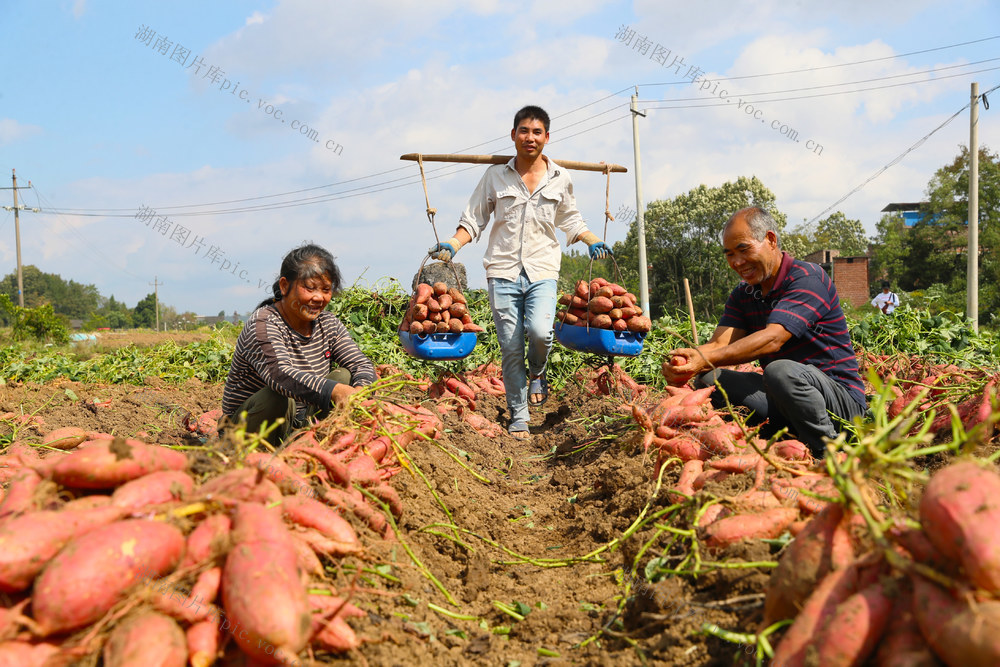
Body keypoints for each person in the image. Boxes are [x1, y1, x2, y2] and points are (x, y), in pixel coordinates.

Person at [427, 105, 612, 440]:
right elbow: (474, 219)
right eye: (524, 131)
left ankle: (537, 371)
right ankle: (519, 416)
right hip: (502, 270)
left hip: (543, 269)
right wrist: (453, 244)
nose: (530, 137)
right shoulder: (495, 176)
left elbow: (571, 219)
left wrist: (592, 240)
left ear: (547, 137)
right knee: (511, 346)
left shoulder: (560, 177)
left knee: (540, 332)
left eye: (537, 132)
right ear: (513, 135)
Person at [661, 207, 867, 458]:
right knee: (710, 379)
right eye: (730, 254)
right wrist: (686, 361)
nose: (737, 262)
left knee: (780, 371)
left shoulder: (808, 278)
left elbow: (773, 339)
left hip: (841, 404)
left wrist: (703, 359)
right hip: (786, 399)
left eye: (744, 249)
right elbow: (718, 345)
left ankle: (830, 453)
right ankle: (780, 438)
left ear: (770, 240)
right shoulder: (744, 294)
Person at [222, 243, 376, 444]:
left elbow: (361, 364)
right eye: (310, 288)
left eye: (326, 289)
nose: (318, 297)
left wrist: (360, 393)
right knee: (277, 396)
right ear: (284, 286)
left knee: (344, 376)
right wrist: (335, 391)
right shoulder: (263, 324)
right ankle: (254, 454)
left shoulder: (328, 323)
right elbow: (280, 374)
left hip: (301, 425)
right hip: (247, 430)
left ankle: (314, 443)